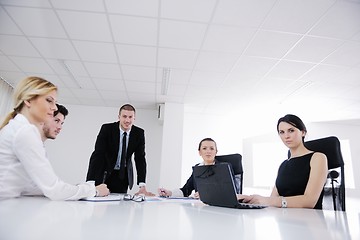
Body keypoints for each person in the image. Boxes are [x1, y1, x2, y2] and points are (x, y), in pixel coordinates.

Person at [0, 76, 109, 200]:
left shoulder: (19, 128)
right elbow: (54, 190)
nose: (55, 107)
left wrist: (76, 189)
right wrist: (93, 190)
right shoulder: (25, 131)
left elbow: (35, 187)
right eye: (49, 100)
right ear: (28, 100)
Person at [239, 114, 328, 209]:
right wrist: (250, 199)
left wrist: (269, 200)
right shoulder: (283, 165)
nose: (286, 136)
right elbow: (273, 199)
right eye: (281, 132)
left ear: (303, 132)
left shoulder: (318, 157)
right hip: (283, 219)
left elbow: (309, 201)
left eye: (291, 130)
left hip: (309, 220)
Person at [86, 104, 154, 196]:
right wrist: (90, 181)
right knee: (101, 204)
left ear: (134, 118)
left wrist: (142, 185)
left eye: (130, 117)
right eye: (124, 116)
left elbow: (140, 158)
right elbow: (98, 154)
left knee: (120, 205)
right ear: (119, 117)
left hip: (122, 176)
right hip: (104, 174)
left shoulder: (139, 133)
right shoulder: (107, 129)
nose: (127, 120)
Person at [158, 138, 238, 198]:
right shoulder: (198, 168)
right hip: (201, 209)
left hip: (220, 209)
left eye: (212, 148)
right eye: (204, 148)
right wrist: (169, 193)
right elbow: (186, 190)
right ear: (199, 152)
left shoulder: (224, 167)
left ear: (216, 152)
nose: (208, 151)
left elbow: (230, 192)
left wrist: (207, 194)